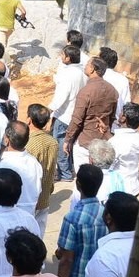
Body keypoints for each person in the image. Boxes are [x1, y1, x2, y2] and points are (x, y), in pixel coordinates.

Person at [65, 57, 119, 170]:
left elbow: (77, 119)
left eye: (88, 64)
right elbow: (112, 117)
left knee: (84, 179)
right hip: (103, 141)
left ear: (93, 69)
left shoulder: (86, 91)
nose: (85, 66)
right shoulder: (112, 90)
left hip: (85, 142)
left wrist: (68, 139)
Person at [48, 44, 86, 182]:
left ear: (68, 58)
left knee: (60, 144)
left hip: (64, 115)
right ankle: (69, 169)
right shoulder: (82, 73)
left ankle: (65, 174)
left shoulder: (68, 74)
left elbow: (61, 96)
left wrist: (49, 109)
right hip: (76, 114)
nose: (61, 57)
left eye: (62, 55)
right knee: (69, 142)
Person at [109, 102, 139, 196]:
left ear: (123, 118)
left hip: (118, 189)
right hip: (134, 187)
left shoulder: (115, 141)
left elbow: (108, 166)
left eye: (121, 112)